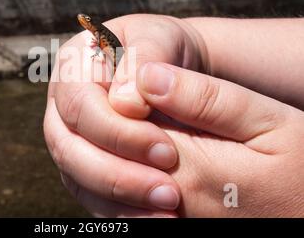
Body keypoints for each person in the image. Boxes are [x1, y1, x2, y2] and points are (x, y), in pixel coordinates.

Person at [43, 14, 304, 217]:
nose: (83, 21)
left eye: (86, 20)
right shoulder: (104, 38)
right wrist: (196, 41)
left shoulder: (102, 36)